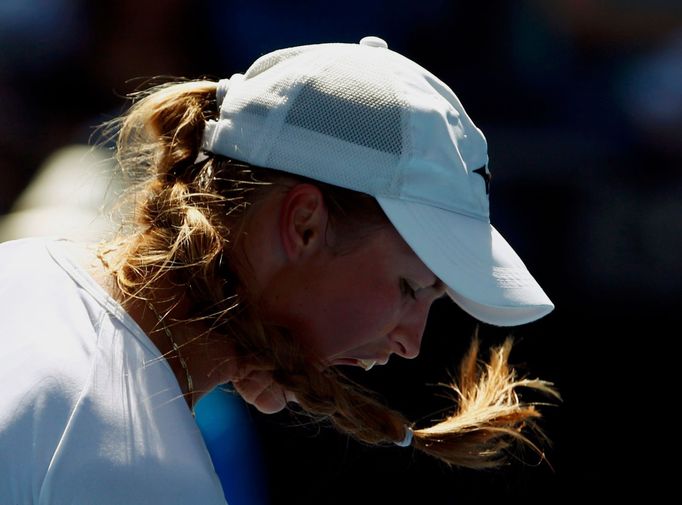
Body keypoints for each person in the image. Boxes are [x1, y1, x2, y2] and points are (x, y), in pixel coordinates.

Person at [0, 36, 559, 503]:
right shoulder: (139, 467)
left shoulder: (23, 268)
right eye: (410, 287)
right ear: (304, 224)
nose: (411, 342)